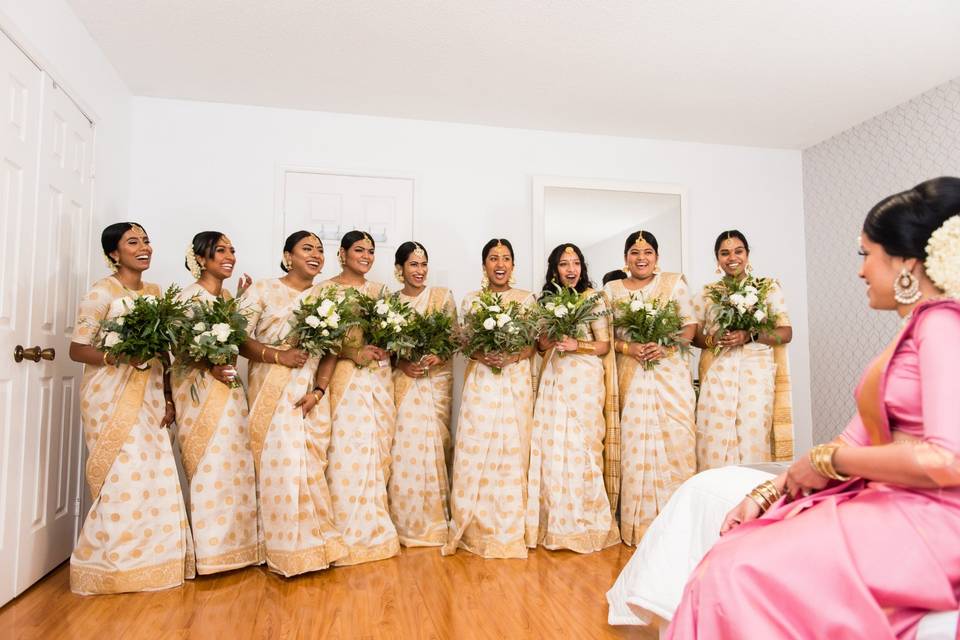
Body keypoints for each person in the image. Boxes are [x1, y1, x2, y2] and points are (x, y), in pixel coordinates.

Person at [663, 177, 960, 639]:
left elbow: (948, 459)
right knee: (731, 554)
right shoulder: (911, 332)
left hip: (933, 518)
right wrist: (765, 494)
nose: (861, 271)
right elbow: (852, 438)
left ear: (905, 263)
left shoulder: (942, 325)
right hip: (899, 501)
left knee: (737, 573)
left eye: (866, 254)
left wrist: (829, 461)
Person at [68, 222, 195, 594]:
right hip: (110, 395)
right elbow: (77, 349)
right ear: (113, 254)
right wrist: (119, 355)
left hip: (152, 394)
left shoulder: (155, 293)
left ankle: (156, 563)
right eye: (133, 242)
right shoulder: (101, 292)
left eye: (146, 241)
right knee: (123, 475)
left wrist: (170, 396)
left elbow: (162, 352)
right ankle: (109, 567)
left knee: (152, 473)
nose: (144, 248)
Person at [239, 230, 346, 576]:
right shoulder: (263, 290)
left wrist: (319, 391)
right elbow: (238, 338)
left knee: (310, 467)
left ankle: (316, 546)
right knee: (280, 466)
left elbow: (333, 349)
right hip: (272, 389)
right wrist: (277, 356)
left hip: (310, 396)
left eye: (319, 250)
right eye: (306, 249)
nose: (315, 255)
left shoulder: (328, 296)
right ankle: (281, 549)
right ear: (287, 256)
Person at [602, 230, 698, 545]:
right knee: (634, 444)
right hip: (631, 374)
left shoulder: (674, 283)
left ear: (657, 257)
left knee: (677, 441)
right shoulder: (612, 289)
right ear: (625, 258)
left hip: (668, 374)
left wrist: (666, 346)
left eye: (647, 252)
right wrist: (629, 349)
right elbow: (605, 336)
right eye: (634, 252)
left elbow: (689, 326)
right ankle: (638, 526)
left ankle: (679, 528)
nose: (641, 258)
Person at [443, 238, 537, 558]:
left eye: (506, 258)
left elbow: (533, 345)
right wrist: (483, 355)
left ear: (513, 264)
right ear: (484, 265)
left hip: (515, 379)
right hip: (482, 379)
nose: (500, 264)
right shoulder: (471, 301)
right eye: (494, 258)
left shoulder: (526, 300)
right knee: (476, 444)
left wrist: (511, 358)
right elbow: (464, 342)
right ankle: (474, 526)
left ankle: (508, 526)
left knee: (512, 447)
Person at [172, 232, 260, 574]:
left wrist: (239, 300)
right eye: (220, 251)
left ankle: (239, 548)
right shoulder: (187, 298)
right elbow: (179, 347)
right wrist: (209, 365)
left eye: (232, 250)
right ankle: (211, 553)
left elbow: (236, 340)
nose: (230, 256)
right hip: (198, 391)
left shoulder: (226, 298)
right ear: (200, 259)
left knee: (234, 462)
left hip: (230, 389)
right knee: (209, 465)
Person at [525, 244, 620, 553]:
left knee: (583, 445)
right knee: (553, 444)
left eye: (576, 263)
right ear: (554, 269)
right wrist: (550, 340)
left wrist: (575, 343)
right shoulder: (545, 302)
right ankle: (555, 523)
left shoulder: (594, 298)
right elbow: (540, 346)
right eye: (564, 264)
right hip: (555, 375)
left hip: (585, 379)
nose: (570, 269)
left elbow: (604, 345)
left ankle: (586, 520)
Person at [318, 231, 400, 565]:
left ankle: (375, 528)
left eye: (370, 251)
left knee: (377, 447)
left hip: (379, 377)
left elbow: (394, 339)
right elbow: (318, 342)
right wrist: (353, 351)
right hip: (345, 376)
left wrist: (386, 347)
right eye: (358, 250)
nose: (365, 256)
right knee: (347, 448)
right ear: (342, 253)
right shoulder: (324, 290)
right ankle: (346, 530)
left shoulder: (382, 292)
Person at [692, 230, 794, 469]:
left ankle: (752, 499)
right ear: (717, 259)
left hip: (754, 373)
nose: (732, 258)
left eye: (738, 251)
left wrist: (750, 336)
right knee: (714, 436)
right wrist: (711, 339)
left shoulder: (767, 288)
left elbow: (786, 332)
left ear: (747, 254)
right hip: (717, 373)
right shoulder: (707, 293)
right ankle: (717, 500)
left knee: (752, 434)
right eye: (724, 253)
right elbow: (693, 335)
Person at [388, 242, 457, 547]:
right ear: (400, 268)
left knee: (433, 444)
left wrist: (437, 357)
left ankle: (433, 521)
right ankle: (404, 521)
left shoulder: (442, 297)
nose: (420, 271)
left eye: (424, 264)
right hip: (404, 382)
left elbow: (454, 337)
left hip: (435, 381)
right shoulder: (390, 302)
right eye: (413, 265)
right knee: (404, 446)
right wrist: (403, 362)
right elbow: (385, 348)